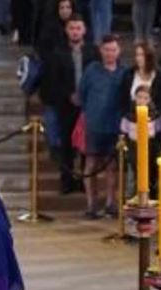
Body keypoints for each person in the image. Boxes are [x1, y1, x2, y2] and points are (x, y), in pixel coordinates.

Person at [39, 15, 97, 194]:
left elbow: (96, 78)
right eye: (72, 28)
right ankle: (66, 180)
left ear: (84, 30)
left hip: (88, 106)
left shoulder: (92, 52)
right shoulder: (58, 53)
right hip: (66, 105)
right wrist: (68, 95)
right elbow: (54, 80)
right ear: (67, 30)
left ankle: (83, 180)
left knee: (85, 146)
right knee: (66, 144)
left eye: (78, 28)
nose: (75, 32)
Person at [79, 34, 125, 219]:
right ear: (101, 50)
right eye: (107, 50)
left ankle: (110, 202)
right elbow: (82, 93)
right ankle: (91, 204)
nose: (110, 53)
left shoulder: (123, 72)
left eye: (113, 50)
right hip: (94, 125)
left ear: (118, 51)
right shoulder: (92, 70)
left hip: (114, 126)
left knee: (111, 166)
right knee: (90, 165)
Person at [120, 85, 161, 203]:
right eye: (139, 97)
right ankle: (130, 207)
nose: (142, 101)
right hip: (133, 150)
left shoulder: (156, 116)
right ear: (135, 98)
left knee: (151, 179)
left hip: (151, 150)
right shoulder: (128, 116)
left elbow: (160, 135)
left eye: (145, 98)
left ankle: (151, 206)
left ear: (149, 100)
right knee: (132, 180)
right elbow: (123, 135)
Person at [120, 41, 161, 116]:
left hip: (153, 121)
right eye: (137, 55)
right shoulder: (129, 74)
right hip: (132, 119)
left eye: (142, 55)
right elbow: (124, 99)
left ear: (149, 56)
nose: (138, 58)